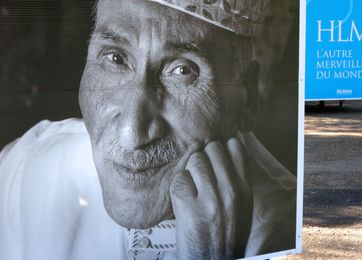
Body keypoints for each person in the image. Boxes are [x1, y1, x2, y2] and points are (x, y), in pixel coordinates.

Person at [0, 0, 297, 259]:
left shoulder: (299, 238)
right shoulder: (24, 172)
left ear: (246, 97)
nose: (132, 134)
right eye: (116, 58)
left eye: (183, 70)